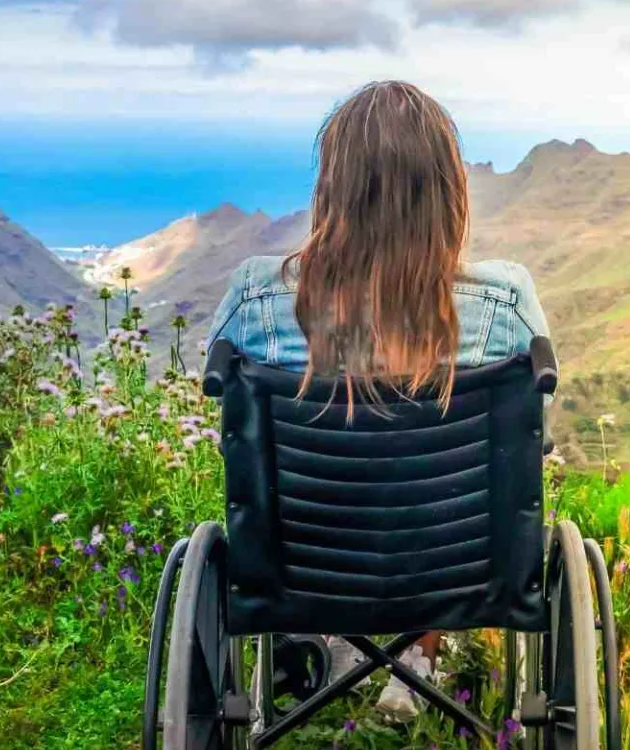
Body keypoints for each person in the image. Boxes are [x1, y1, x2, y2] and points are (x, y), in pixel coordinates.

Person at [204, 80, 551, 721]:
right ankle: (419, 657)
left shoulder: (256, 295)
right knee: (441, 482)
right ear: (447, 192)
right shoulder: (505, 300)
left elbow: (222, 398)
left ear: (332, 189)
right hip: (460, 567)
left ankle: (328, 639)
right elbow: (532, 420)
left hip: (304, 560)